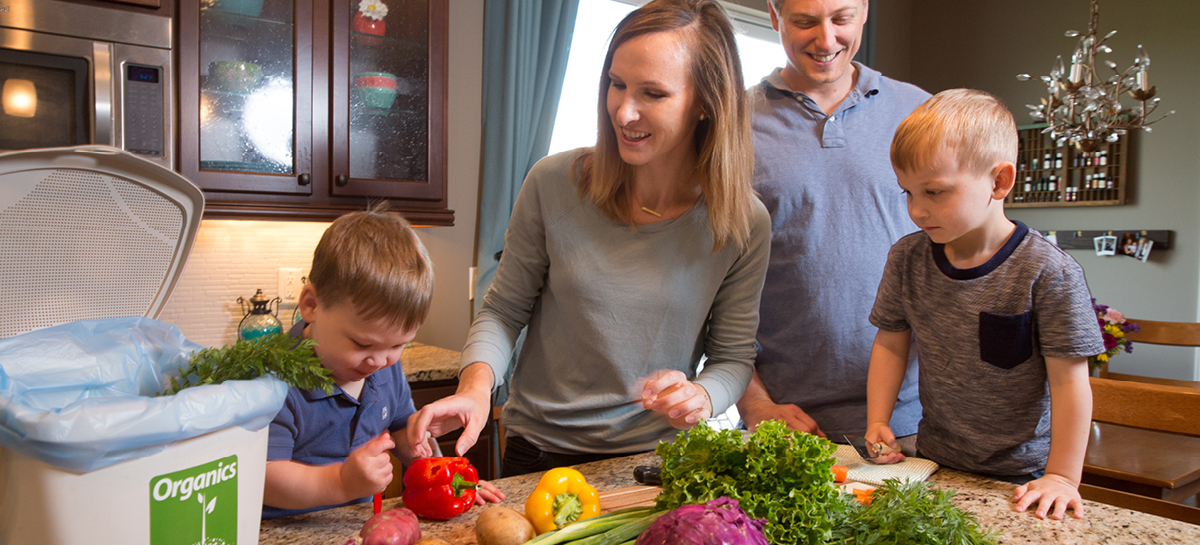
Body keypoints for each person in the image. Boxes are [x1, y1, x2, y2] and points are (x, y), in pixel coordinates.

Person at [407, 0, 771, 477]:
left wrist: (703, 395)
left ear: (706, 103)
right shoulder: (553, 182)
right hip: (538, 453)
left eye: (653, 93)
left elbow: (732, 358)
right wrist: (477, 386)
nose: (624, 111)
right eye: (616, 84)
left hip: (661, 462)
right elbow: (503, 310)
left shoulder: (743, 222)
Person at [865, 89, 1104, 520]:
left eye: (935, 192)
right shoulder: (907, 258)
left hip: (1023, 476)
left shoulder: (1047, 272)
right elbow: (890, 343)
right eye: (908, 193)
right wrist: (878, 418)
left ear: (999, 182)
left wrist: (1063, 477)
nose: (917, 210)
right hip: (934, 459)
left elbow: (1071, 383)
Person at [736, 0, 927, 450]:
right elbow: (705, 291)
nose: (826, 40)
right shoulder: (730, 125)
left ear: (863, 9)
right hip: (790, 428)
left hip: (918, 420)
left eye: (841, 18)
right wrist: (755, 405)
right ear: (774, 15)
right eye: (804, 22)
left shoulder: (920, 111)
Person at [262, 208, 504, 518]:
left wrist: (448, 476)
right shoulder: (273, 381)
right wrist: (341, 482)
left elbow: (401, 430)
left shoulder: (385, 369)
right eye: (362, 343)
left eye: (398, 345)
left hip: (359, 528)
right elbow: (265, 476)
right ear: (311, 305)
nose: (379, 360)